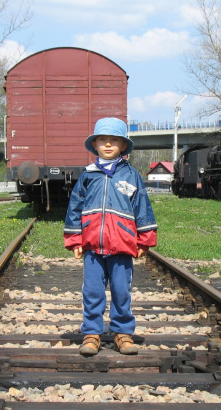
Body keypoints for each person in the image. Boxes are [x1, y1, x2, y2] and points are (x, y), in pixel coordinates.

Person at [64, 117, 158, 356]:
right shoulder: (88, 175)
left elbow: (142, 206)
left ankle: (122, 333)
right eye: (102, 140)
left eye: (113, 140)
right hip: (93, 247)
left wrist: (145, 239)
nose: (108, 145)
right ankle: (92, 333)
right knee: (93, 291)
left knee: (121, 290)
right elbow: (75, 207)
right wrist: (75, 239)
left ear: (123, 146)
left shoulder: (132, 175)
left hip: (122, 244)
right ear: (94, 145)